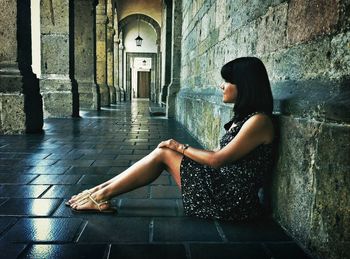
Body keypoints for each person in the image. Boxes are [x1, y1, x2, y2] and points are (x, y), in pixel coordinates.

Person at [67, 56, 274, 221]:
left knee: (165, 153)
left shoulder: (259, 121)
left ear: (245, 86)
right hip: (224, 187)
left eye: (228, 81)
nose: (222, 85)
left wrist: (178, 146)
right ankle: (97, 191)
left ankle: (100, 196)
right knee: (166, 151)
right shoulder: (247, 118)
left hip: (231, 201)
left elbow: (217, 159)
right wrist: (180, 150)